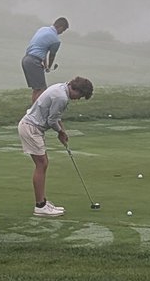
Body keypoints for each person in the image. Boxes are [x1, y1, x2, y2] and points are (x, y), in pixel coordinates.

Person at [18, 76, 94, 216]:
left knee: (43, 163)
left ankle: (42, 202)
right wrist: (60, 132)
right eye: (80, 96)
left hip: (33, 127)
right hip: (31, 128)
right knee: (41, 164)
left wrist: (62, 132)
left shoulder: (61, 88)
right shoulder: (62, 98)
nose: (78, 99)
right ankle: (40, 206)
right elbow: (52, 120)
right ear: (76, 89)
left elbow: (56, 116)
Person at [21, 18, 69, 101]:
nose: (62, 33)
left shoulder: (42, 29)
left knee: (37, 88)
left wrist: (45, 65)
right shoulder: (56, 40)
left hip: (26, 59)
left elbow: (43, 50)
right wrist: (49, 67)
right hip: (34, 62)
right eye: (63, 30)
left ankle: (33, 109)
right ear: (61, 27)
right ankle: (36, 111)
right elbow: (51, 55)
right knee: (42, 90)